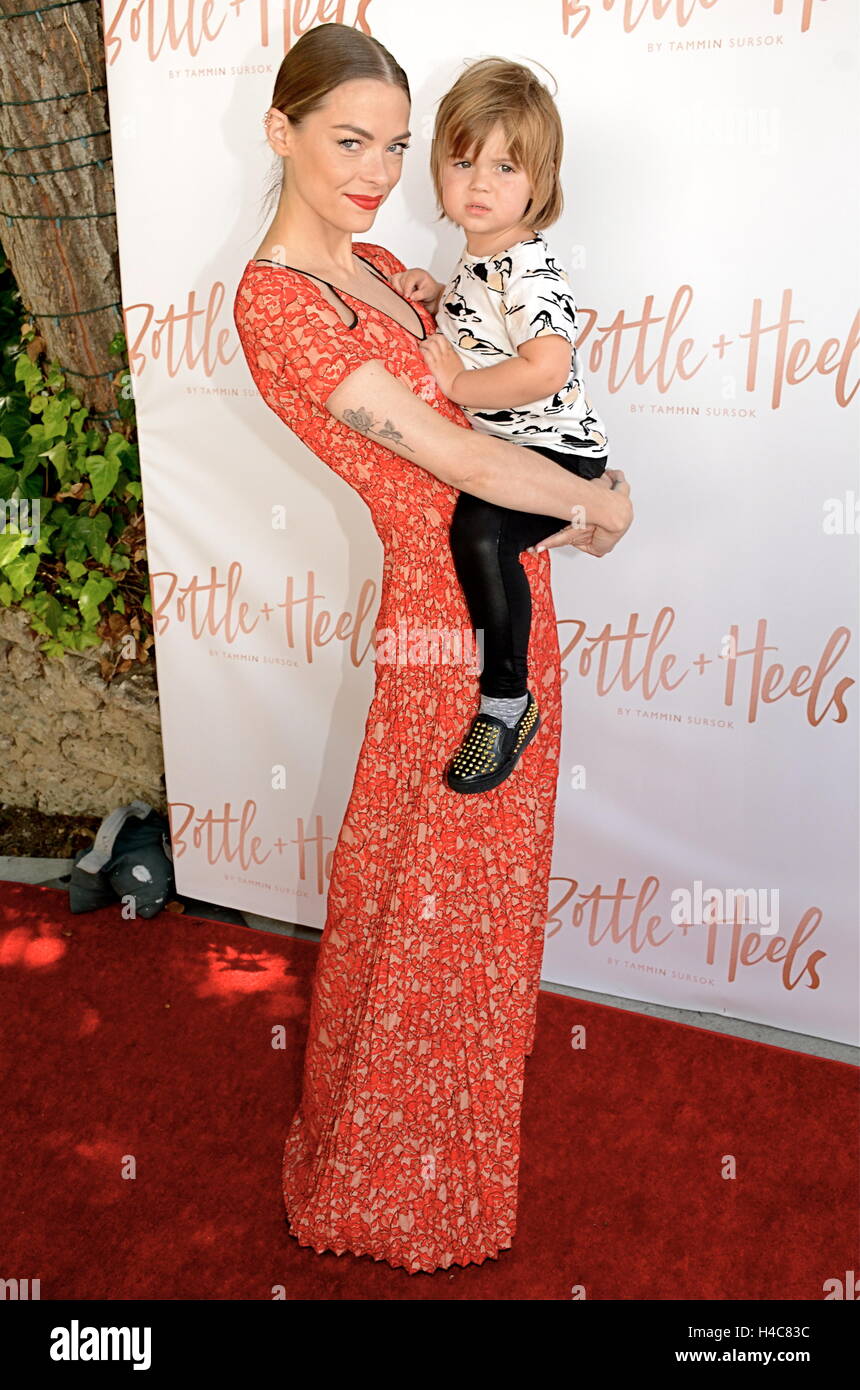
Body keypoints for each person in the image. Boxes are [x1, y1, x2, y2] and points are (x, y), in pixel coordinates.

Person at [232, 22, 632, 1276]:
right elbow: (448, 452)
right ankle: (396, 1190)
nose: (375, 169)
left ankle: (424, 1154)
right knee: (427, 903)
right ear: (278, 132)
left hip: (501, 601)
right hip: (444, 639)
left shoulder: (392, 271)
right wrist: (598, 503)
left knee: (462, 906)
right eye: (348, 140)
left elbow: (506, 392)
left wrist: (579, 478)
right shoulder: (279, 304)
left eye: (395, 145)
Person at [389, 59, 620, 795]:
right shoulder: (480, 258)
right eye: (462, 162)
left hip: (556, 453)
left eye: (504, 166)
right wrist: (434, 293)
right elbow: (476, 319)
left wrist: (456, 383)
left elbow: (545, 369)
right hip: (515, 446)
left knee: (481, 535)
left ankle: (506, 702)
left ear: (539, 181)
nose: (480, 183)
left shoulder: (528, 268)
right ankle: (505, 696)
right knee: (477, 530)